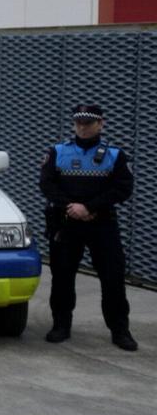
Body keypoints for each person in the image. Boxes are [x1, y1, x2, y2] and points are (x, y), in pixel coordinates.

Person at [39, 102, 136, 350]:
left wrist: (90, 207)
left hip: (102, 224)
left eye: (88, 123)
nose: (82, 128)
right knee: (62, 277)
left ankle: (120, 330)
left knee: (112, 277)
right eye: (78, 123)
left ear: (100, 124)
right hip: (66, 223)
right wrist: (71, 207)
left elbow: (123, 189)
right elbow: (47, 185)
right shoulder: (58, 151)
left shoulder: (115, 155)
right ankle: (61, 325)